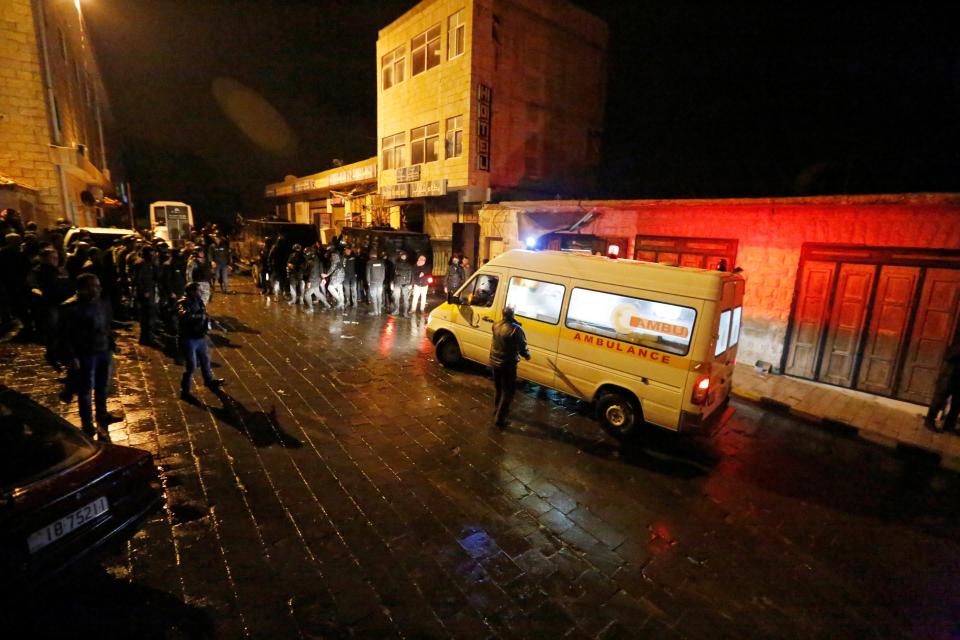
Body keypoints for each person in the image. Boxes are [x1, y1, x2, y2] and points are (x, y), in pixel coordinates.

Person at [57, 273, 120, 439]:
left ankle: (102, 414)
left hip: (103, 350)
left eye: (98, 285)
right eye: (94, 285)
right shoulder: (70, 307)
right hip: (86, 354)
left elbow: (106, 324)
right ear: (82, 289)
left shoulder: (101, 301)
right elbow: (64, 335)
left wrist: (111, 343)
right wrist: (71, 357)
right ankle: (87, 424)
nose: (98, 288)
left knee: (102, 386)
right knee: (85, 389)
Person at [177, 281, 225, 402]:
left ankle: (209, 381)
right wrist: (198, 316)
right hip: (189, 338)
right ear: (192, 291)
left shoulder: (198, 301)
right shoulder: (183, 302)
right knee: (191, 365)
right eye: (198, 290)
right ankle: (185, 389)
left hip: (200, 337)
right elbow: (184, 316)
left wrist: (207, 319)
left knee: (205, 360)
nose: (200, 292)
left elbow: (203, 313)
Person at [489, 307, 531, 428]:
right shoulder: (516, 329)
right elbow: (522, 347)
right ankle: (500, 418)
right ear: (512, 314)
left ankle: (497, 410)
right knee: (508, 392)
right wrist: (527, 355)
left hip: (494, 362)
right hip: (507, 364)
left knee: (499, 388)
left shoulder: (496, 325)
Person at [925, 340, 960, 432]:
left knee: (956, 404)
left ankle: (949, 425)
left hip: (956, 377)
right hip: (949, 376)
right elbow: (949, 357)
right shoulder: (956, 344)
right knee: (939, 400)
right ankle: (929, 421)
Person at [391, 250, 413, 317]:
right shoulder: (396, 264)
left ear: (406, 257)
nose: (403, 257)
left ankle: (405, 312)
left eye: (404, 256)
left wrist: (411, 284)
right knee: (396, 298)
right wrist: (391, 283)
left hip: (406, 284)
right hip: (397, 283)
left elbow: (411, 275)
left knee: (406, 299)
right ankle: (396, 310)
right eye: (402, 256)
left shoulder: (409, 265)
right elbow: (392, 274)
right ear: (400, 256)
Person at [366, 251, 387, 316]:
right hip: (380, 282)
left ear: (370, 256)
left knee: (374, 297)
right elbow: (383, 273)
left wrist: (368, 282)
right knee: (379, 296)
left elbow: (368, 274)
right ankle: (379, 311)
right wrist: (382, 280)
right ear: (376, 256)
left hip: (373, 282)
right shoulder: (381, 262)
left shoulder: (369, 263)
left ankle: (375, 311)